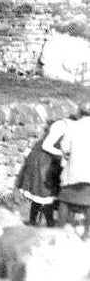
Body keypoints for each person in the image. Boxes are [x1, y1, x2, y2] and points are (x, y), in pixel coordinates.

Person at [17, 111, 75, 227]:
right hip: (43, 159)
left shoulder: (76, 128)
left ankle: (38, 221)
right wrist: (63, 155)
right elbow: (46, 145)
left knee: (47, 194)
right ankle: (45, 222)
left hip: (51, 160)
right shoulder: (62, 126)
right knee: (44, 193)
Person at [57, 101, 90, 240]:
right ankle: (87, 233)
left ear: (80, 113)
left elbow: (65, 148)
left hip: (73, 172)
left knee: (64, 200)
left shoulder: (72, 127)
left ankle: (59, 232)